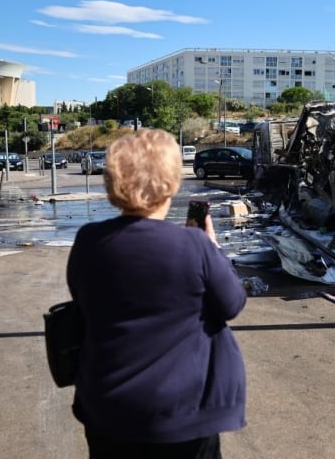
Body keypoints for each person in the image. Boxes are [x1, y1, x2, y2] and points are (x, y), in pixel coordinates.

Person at [66, 128, 246, 459]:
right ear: (171, 181)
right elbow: (232, 303)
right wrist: (212, 249)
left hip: (107, 410)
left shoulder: (88, 240)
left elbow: (83, 299)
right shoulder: (194, 245)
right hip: (182, 416)